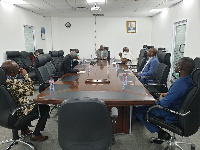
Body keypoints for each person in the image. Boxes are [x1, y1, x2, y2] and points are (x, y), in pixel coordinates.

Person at [134, 57, 195, 144]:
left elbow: (164, 104)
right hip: (186, 114)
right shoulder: (191, 81)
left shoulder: (179, 84)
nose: (176, 66)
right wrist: (168, 95)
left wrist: (159, 99)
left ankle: (162, 133)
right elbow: (183, 95)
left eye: (177, 65)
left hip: (173, 114)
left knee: (139, 110)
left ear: (180, 68)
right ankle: (161, 133)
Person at [1, 60, 50, 142]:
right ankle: (36, 134)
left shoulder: (3, 82)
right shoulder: (14, 83)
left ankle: (24, 130)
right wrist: (25, 75)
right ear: (12, 71)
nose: (19, 68)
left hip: (6, 113)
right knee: (45, 107)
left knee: (30, 102)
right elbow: (31, 91)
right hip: (20, 111)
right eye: (17, 67)